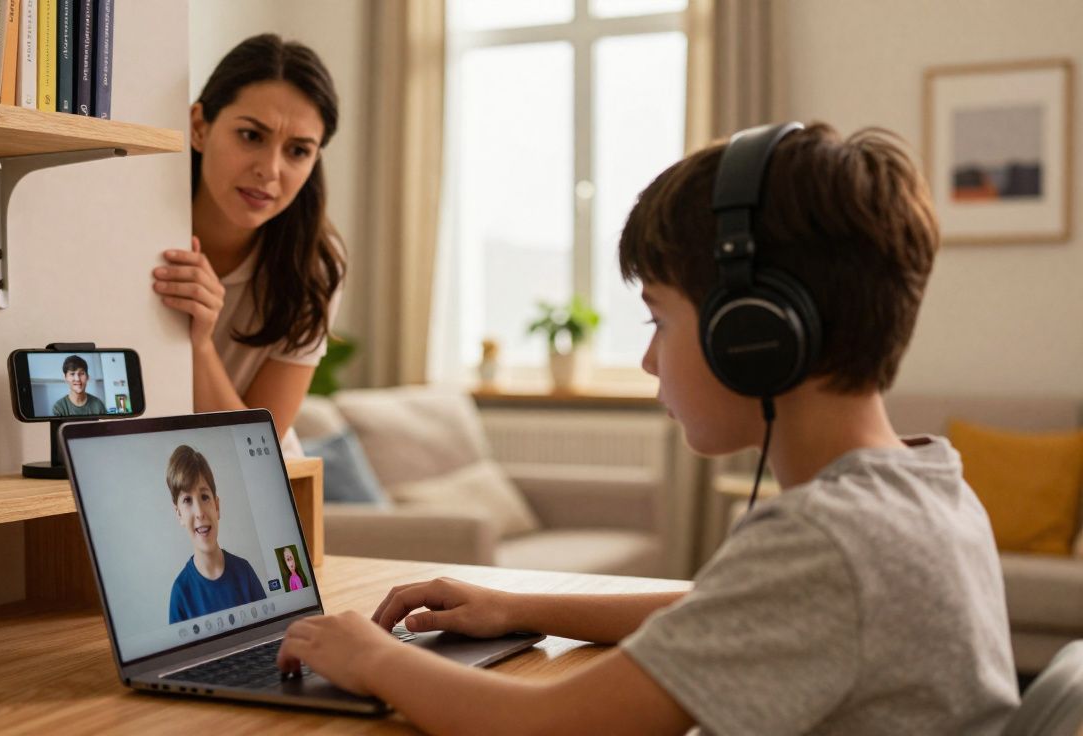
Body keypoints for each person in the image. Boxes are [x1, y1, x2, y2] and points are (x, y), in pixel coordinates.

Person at [275, 123, 1021, 733]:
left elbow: (544, 728)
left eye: (659, 318)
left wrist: (371, 656)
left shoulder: (824, 541)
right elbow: (719, 611)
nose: (646, 357)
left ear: (752, 333)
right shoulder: (927, 485)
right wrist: (518, 605)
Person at [152, 34, 344, 460]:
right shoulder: (140, 230)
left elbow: (254, 448)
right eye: (250, 136)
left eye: (297, 150)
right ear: (199, 127)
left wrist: (200, 344)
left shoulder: (315, 267)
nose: (269, 171)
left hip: (260, 480)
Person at [167, 444, 265, 624]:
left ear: (217, 506)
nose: (199, 512)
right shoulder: (180, 593)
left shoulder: (245, 573)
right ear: (179, 514)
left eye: (204, 497)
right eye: (187, 500)